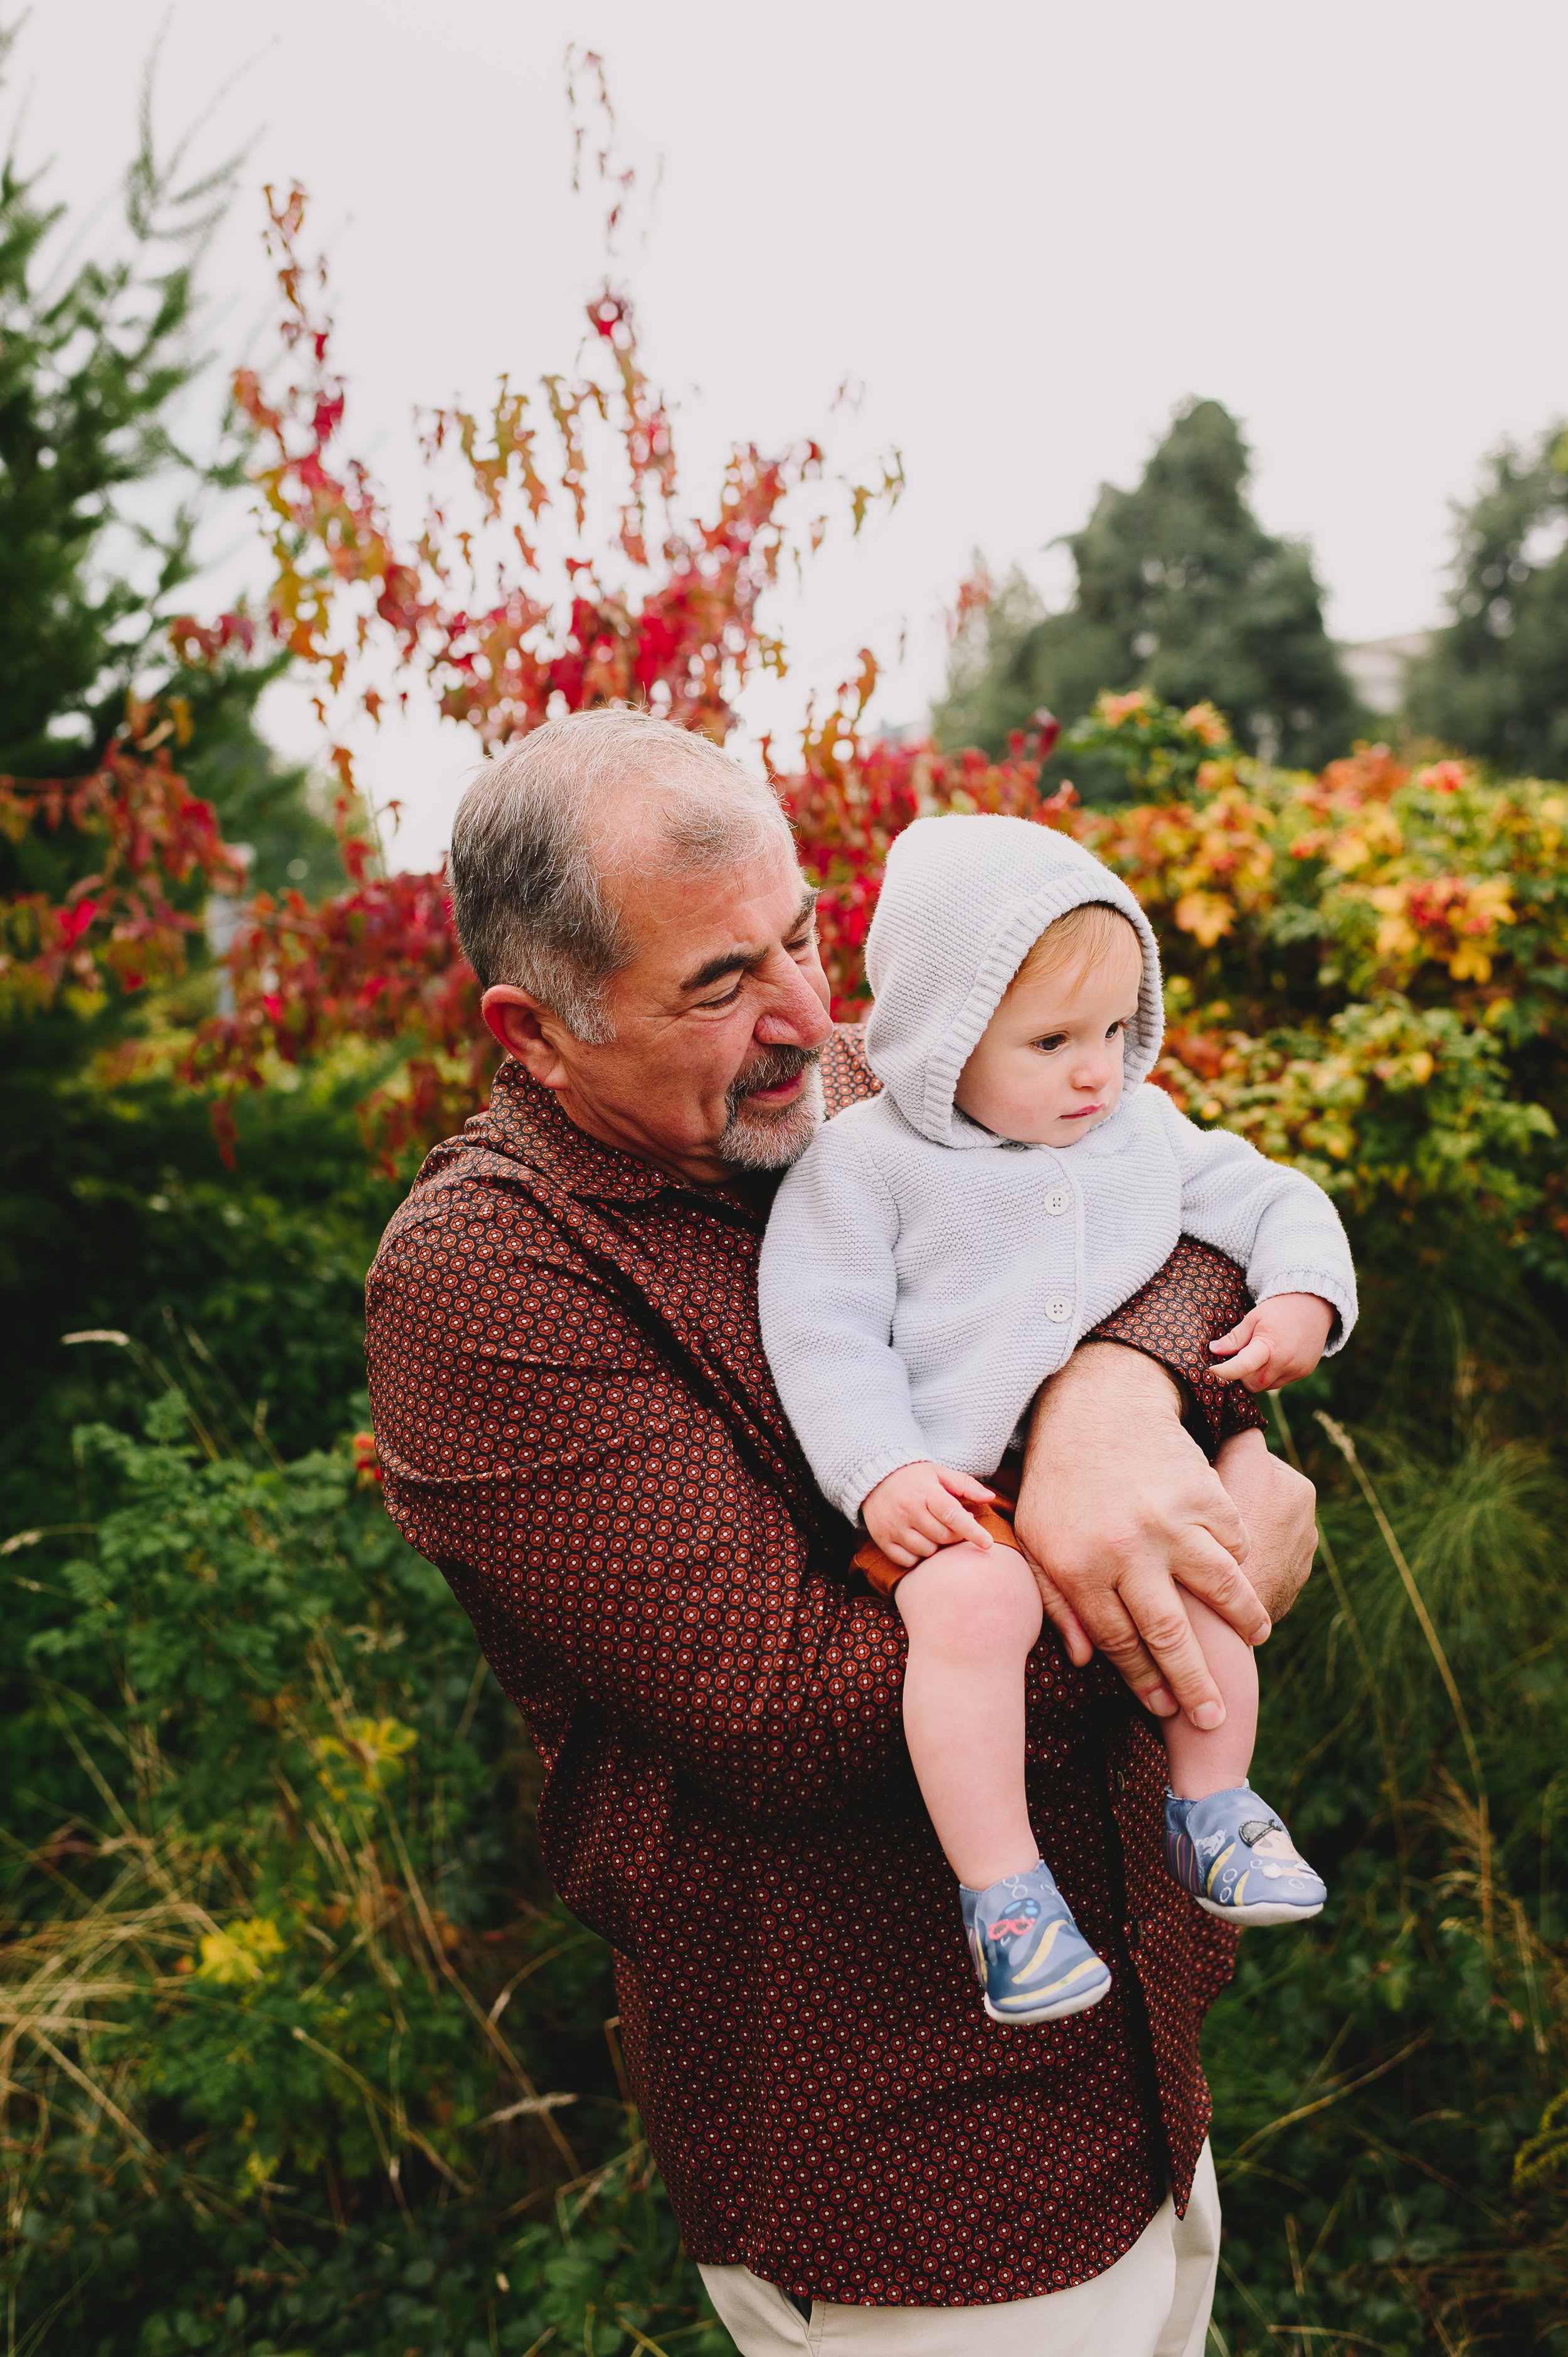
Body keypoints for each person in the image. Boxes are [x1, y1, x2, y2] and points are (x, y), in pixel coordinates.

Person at [364, 706, 1320, 2354]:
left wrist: (1115, 1392)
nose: (815, 1018)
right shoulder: (484, 1284)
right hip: (912, 2172)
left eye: (804, 931)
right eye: (719, 983)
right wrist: (1185, 1565)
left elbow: (1165, 1211)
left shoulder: (884, 1081)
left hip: (1146, 2063)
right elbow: (795, 1709)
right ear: (535, 1030)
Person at [759, 815, 1356, 2033]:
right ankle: (1005, 1897)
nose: (1095, 1070)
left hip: (1116, 1479)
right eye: (1049, 1041)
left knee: (1195, 1547)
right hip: (952, 1493)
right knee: (974, 1609)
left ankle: (1215, 1802)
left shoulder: (1133, 1125)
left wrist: (1302, 1289)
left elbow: (1266, 1194)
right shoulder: (862, 1165)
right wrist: (879, 1475)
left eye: (1111, 1031)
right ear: (939, 1041)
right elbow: (818, 1330)